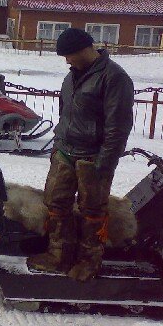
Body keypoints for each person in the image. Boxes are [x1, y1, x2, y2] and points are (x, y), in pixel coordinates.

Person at [26, 28, 134, 281]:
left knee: (92, 211)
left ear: (86, 48)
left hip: (93, 157)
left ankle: (88, 262)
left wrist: (105, 163)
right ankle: (58, 255)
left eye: (70, 55)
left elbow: (118, 127)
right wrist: (58, 146)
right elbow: (66, 114)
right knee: (56, 204)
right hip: (65, 152)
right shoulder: (71, 77)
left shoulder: (115, 78)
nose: (67, 61)